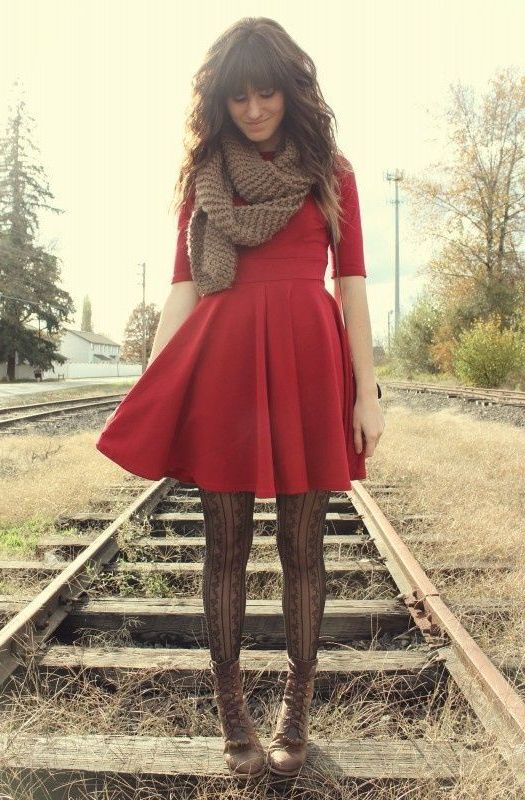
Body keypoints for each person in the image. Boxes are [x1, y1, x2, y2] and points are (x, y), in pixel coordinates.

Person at [95, 16, 385, 780]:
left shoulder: (332, 171)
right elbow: (182, 289)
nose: (254, 110)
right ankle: (233, 716)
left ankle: (296, 709)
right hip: (223, 367)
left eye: (266, 95)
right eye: (238, 99)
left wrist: (367, 392)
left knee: (303, 549)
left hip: (308, 365)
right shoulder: (205, 181)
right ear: (218, 103)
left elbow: (350, 287)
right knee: (224, 549)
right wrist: (155, 388)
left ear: (291, 92)